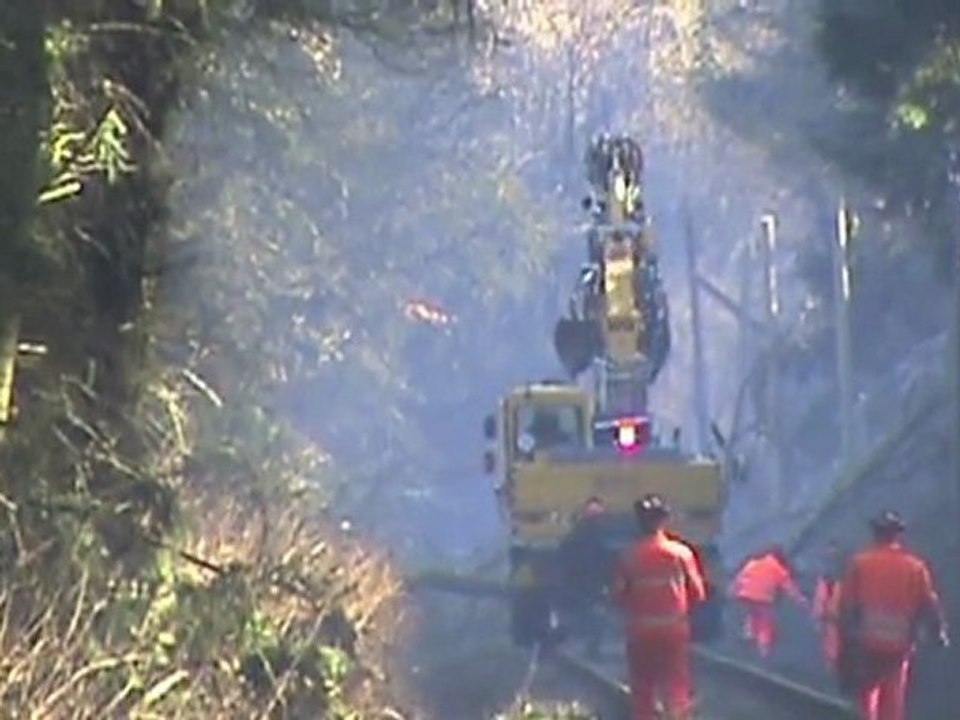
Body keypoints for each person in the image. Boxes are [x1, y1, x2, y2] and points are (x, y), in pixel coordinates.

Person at [836, 511, 949, 720]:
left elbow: (847, 605)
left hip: (866, 642)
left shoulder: (859, 563)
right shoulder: (915, 567)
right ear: (897, 536)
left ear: (874, 534)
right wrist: (939, 632)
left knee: (867, 694)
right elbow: (929, 603)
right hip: (899, 644)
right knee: (893, 696)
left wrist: (845, 640)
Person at [612, 493, 706, 720]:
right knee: (676, 684)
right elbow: (698, 594)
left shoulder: (629, 556)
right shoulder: (682, 553)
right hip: (674, 631)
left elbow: (618, 596)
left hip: (640, 633)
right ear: (665, 520)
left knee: (643, 686)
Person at [556, 496, 614, 657]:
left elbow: (564, 555)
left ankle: (591, 645)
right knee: (594, 612)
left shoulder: (577, 533)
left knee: (590, 611)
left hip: (583, 579)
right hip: (589, 579)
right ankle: (592, 646)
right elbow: (604, 559)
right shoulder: (600, 534)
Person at [730, 545, 808, 658]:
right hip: (763, 598)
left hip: (745, 594)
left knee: (752, 612)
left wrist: (733, 589)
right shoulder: (778, 569)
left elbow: (740, 577)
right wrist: (801, 600)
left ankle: (748, 633)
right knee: (765, 622)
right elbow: (790, 588)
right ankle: (764, 648)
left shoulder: (753, 563)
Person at [813, 540, 844, 669]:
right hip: (831, 600)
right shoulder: (833, 567)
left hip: (832, 603)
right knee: (829, 632)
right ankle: (831, 659)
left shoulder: (827, 567)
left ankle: (831, 660)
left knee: (830, 632)